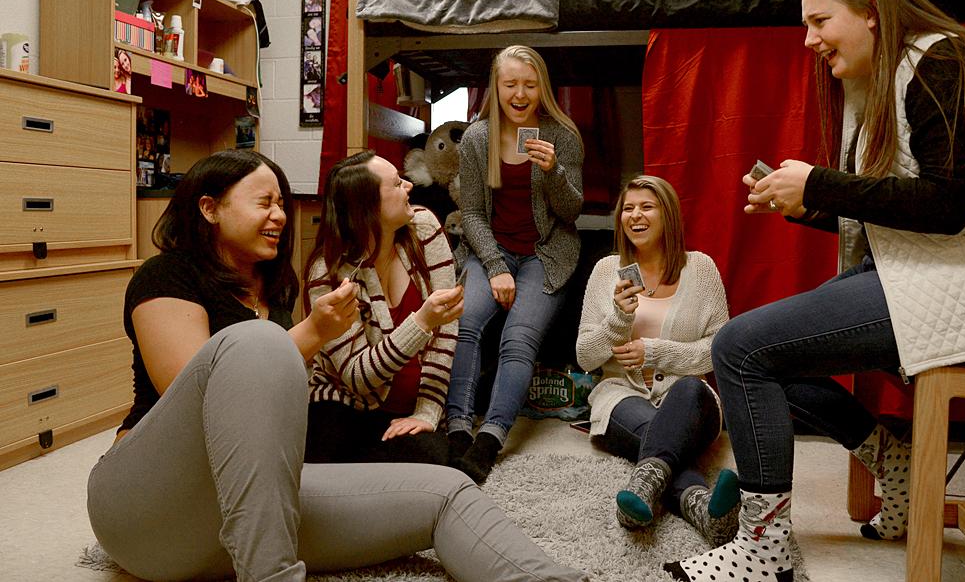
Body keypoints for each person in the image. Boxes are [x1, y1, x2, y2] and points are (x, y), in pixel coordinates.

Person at [665, 0, 965, 582]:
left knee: (738, 347)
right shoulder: (895, 76)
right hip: (936, 273)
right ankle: (892, 465)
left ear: (871, 11)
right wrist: (802, 203)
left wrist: (820, 186)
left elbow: (948, 207)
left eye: (819, 21)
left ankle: (764, 553)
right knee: (768, 360)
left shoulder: (946, 63)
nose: (810, 40)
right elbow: (896, 209)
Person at [86, 149, 589, 582]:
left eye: (282, 203)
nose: (281, 216)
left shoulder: (277, 292)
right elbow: (195, 397)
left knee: (447, 491)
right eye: (265, 202)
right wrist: (314, 334)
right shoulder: (167, 275)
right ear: (210, 208)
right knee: (257, 344)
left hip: (256, 510)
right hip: (153, 511)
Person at [446, 44, 584, 483]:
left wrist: (554, 171)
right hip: (493, 250)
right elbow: (469, 214)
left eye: (529, 84)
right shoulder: (477, 138)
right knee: (464, 322)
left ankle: (491, 436)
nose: (520, 94)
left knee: (518, 337)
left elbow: (571, 213)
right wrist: (494, 265)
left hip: (547, 252)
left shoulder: (562, 136)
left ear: (541, 87)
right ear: (497, 87)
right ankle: (456, 429)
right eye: (511, 85)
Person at [576, 175, 739, 547]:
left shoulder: (700, 268)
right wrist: (618, 320)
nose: (635, 215)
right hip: (621, 394)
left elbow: (719, 348)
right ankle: (701, 507)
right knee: (657, 432)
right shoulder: (605, 271)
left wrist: (656, 352)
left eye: (646, 207)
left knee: (686, 389)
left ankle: (642, 488)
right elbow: (586, 356)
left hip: (691, 397)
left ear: (668, 215)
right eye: (628, 208)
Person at [304, 151, 459, 465]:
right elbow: (358, 377)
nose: (409, 186)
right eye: (396, 184)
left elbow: (446, 334)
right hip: (344, 403)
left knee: (437, 465)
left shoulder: (425, 228)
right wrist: (422, 320)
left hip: (411, 404)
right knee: (325, 467)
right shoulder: (329, 273)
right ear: (368, 208)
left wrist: (427, 412)